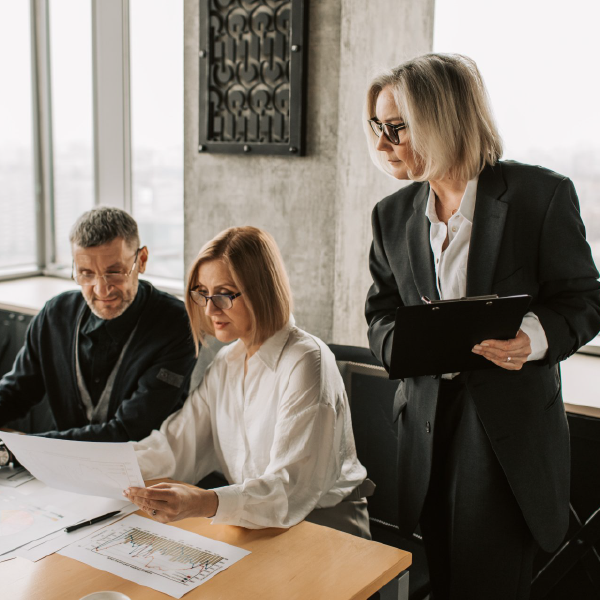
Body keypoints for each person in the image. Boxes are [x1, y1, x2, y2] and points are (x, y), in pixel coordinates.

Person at [363, 53, 600, 599]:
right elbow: (380, 311)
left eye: (395, 127)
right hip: (424, 423)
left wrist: (531, 340)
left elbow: (584, 301)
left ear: (442, 118)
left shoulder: (539, 196)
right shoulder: (392, 215)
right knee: (442, 577)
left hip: (504, 434)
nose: (382, 144)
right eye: (377, 126)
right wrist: (407, 346)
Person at [125, 226, 372, 537]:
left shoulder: (307, 362)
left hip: (324, 530)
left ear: (262, 289)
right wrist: (110, 468)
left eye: (225, 294)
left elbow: (288, 488)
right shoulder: (227, 362)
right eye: (202, 293)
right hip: (256, 526)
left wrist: (204, 503)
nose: (210, 309)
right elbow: (175, 447)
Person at [0, 207, 196, 442]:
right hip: (58, 468)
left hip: (146, 473)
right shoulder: (55, 315)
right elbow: (15, 393)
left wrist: (25, 449)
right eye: (86, 273)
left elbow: (131, 431)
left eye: (115, 272)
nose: (101, 289)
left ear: (141, 260)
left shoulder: (177, 325)